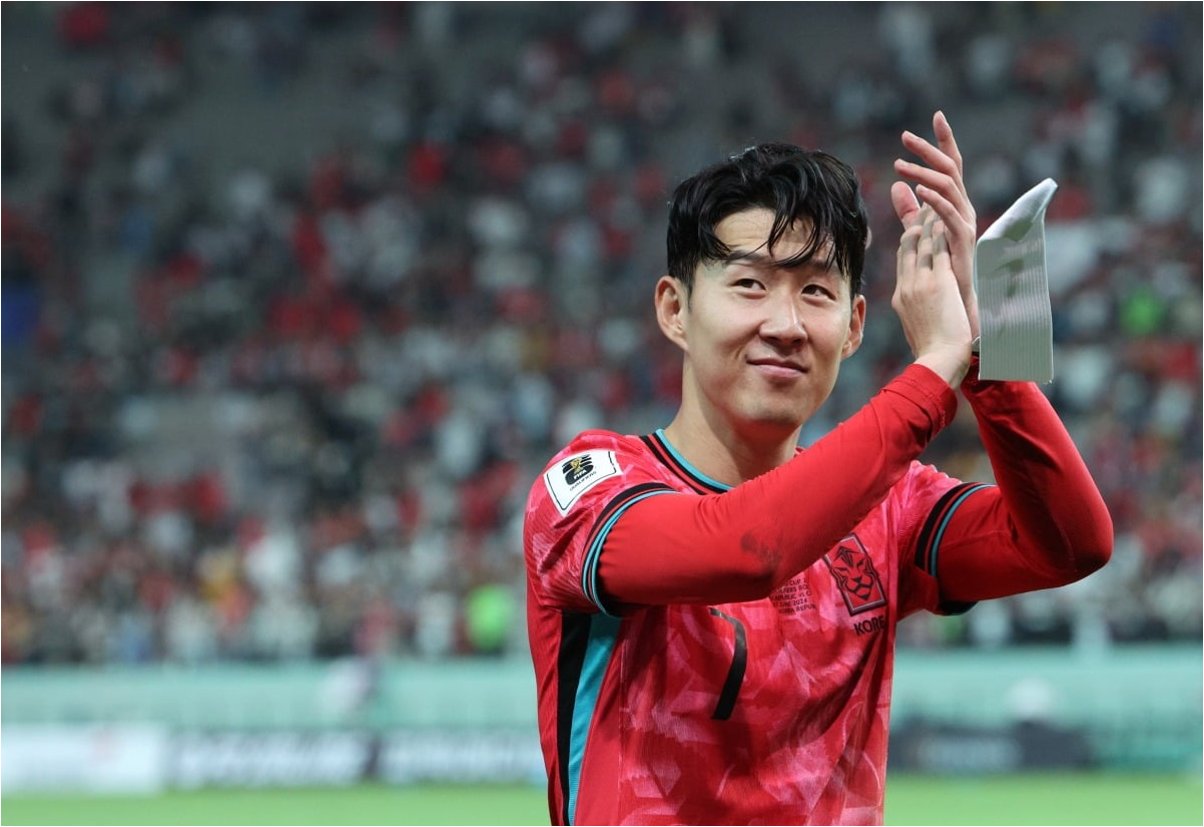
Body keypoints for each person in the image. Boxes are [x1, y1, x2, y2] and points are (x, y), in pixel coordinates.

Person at [522, 111, 1112, 826]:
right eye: (750, 284)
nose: (786, 324)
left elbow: (1072, 545)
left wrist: (990, 345)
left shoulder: (890, 506)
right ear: (675, 310)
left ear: (855, 325)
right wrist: (933, 375)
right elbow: (747, 550)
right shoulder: (587, 489)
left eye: (816, 291)